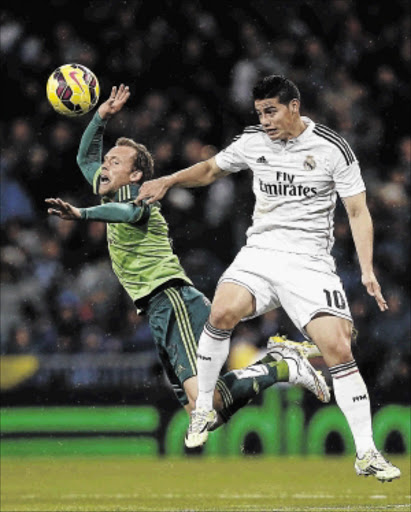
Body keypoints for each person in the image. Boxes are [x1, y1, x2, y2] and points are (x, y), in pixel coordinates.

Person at [137, 75, 401, 481]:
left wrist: (366, 268)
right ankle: (203, 407)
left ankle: (366, 453)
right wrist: (169, 180)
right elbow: (210, 170)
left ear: (294, 107)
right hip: (260, 252)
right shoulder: (252, 141)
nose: (265, 120)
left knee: (338, 346)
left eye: (272, 111)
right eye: (260, 112)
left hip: (309, 261)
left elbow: (358, 211)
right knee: (221, 311)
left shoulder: (332, 148)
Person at [45, 84, 329, 435]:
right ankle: (280, 366)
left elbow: (125, 213)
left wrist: (82, 214)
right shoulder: (110, 188)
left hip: (173, 297)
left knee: (203, 408)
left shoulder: (139, 198)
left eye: (114, 162)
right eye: (106, 161)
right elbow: (84, 158)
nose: (104, 165)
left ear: (135, 175)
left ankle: (281, 366)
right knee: (210, 410)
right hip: (155, 308)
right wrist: (101, 117)